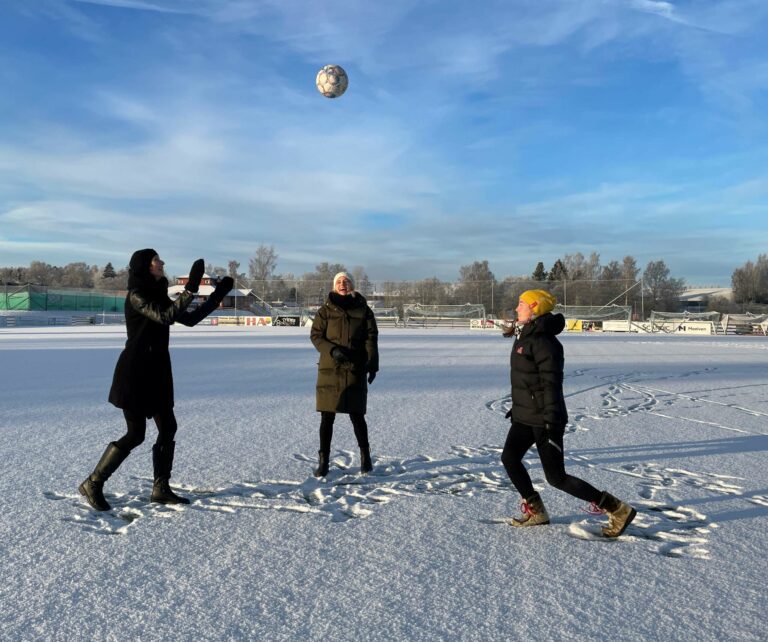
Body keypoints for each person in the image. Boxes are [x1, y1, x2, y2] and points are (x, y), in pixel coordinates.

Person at [78, 249, 233, 511]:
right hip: (135, 372)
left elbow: (190, 318)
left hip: (158, 370)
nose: (161, 262)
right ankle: (93, 482)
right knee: (135, 434)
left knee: (168, 427)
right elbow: (165, 316)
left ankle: (160, 488)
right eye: (156, 259)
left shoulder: (159, 293)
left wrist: (217, 295)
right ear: (145, 266)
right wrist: (191, 287)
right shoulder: (137, 295)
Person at [500, 289, 636, 538]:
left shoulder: (544, 342)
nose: (516, 307)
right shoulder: (525, 335)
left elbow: (550, 384)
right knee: (509, 458)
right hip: (524, 415)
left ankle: (616, 509)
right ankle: (536, 510)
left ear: (535, 308)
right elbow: (527, 381)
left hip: (545, 418)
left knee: (556, 478)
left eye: (521, 303)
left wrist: (551, 420)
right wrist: (519, 404)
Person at [310, 271, 379, 477]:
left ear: (352, 285)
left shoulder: (364, 310)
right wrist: (332, 350)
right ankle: (323, 462)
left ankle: (365, 458)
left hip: (355, 366)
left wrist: (372, 364)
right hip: (330, 367)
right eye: (339, 281)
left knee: (357, 415)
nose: (342, 284)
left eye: (346, 281)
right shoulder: (325, 310)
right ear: (334, 286)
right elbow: (315, 335)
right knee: (327, 417)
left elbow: (371, 338)